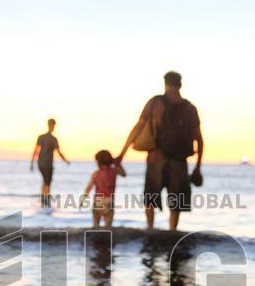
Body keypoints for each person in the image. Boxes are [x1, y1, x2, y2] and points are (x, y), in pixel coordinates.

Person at [116, 71, 203, 231]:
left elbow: (138, 127)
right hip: (179, 163)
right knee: (176, 204)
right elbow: (199, 139)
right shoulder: (190, 108)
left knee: (150, 199)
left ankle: (150, 230)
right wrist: (198, 166)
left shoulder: (155, 103)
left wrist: (121, 155)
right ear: (180, 84)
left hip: (156, 159)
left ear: (165, 84)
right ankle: (172, 233)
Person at [81, 150, 126, 228]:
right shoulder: (114, 171)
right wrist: (117, 163)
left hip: (98, 201)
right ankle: (106, 239)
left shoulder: (96, 174)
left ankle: (96, 238)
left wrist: (83, 199)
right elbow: (124, 174)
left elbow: (89, 187)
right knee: (108, 227)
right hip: (109, 201)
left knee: (96, 226)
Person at [30, 118, 69, 205]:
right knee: (47, 182)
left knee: (45, 181)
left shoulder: (43, 137)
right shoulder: (52, 139)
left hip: (41, 163)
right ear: (52, 125)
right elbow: (36, 150)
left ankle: (43, 199)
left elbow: (36, 150)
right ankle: (46, 200)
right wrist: (65, 160)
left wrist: (32, 163)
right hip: (46, 163)